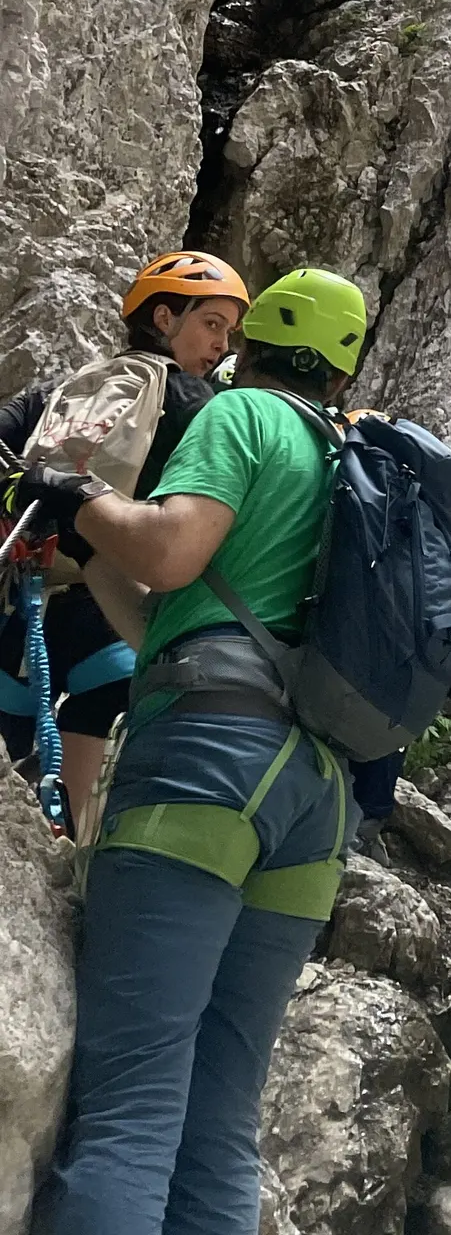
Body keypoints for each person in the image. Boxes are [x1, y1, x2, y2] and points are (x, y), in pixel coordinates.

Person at [27, 265, 371, 1235]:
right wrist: (91, 550)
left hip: (205, 767)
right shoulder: (347, 459)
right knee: (220, 1121)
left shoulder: (243, 417)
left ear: (256, 337)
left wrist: (71, 491)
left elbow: (172, 550)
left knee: (131, 1113)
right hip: (315, 796)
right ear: (343, 366)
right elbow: (166, 616)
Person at [0, 249, 249, 831]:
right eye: (212, 324)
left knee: (14, 810)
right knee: (67, 826)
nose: (222, 345)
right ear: (164, 318)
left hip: (21, 608)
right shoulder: (201, 407)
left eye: (228, 333)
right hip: (111, 609)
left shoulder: (59, 394)